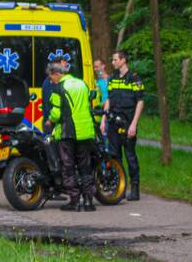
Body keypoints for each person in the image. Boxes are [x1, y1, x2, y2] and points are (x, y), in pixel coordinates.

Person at [44, 61, 97, 212]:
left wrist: (50, 121)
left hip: (68, 132)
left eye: (51, 77)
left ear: (56, 73)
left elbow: (56, 112)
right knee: (85, 166)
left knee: (68, 167)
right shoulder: (82, 84)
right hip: (85, 131)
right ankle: (88, 201)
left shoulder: (59, 87)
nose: (50, 80)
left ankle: (74, 201)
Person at [104, 50, 145, 201]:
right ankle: (119, 187)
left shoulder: (134, 78)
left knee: (130, 157)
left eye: (115, 60)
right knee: (114, 157)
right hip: (113, 123)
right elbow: (108, 99)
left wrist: (134, 124)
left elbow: (140, 102)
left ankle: (135, 189)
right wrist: (104, 119)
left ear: (123, 60)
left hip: (128, 123)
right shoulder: (113, 78)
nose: (113, 62)